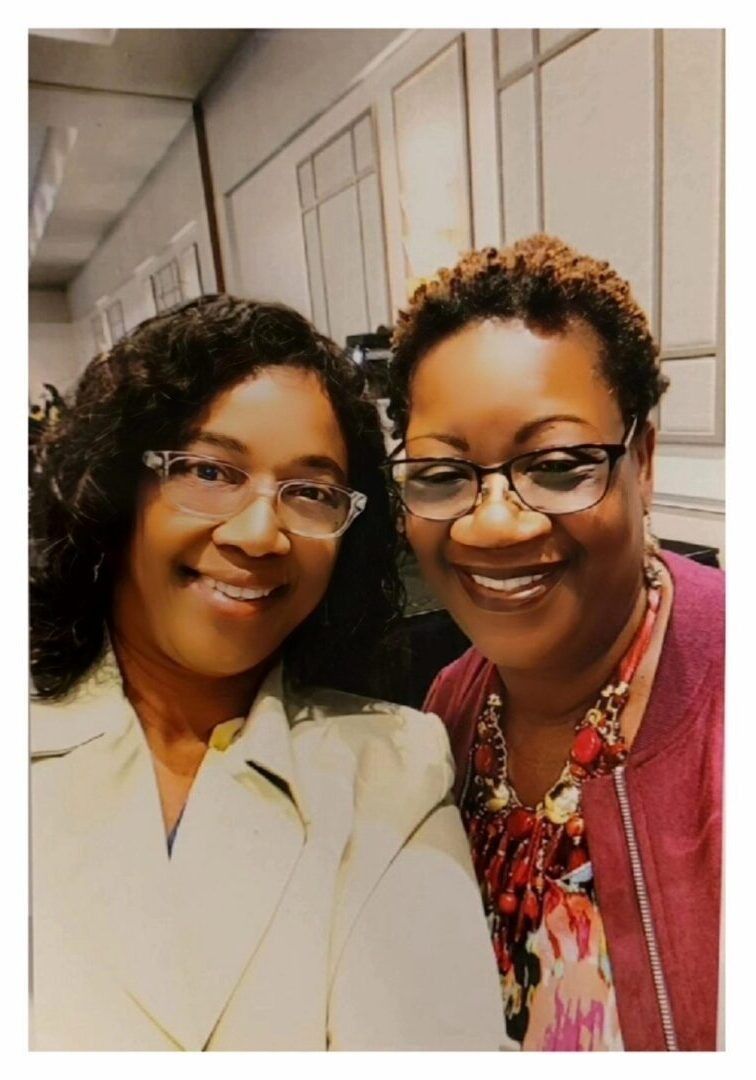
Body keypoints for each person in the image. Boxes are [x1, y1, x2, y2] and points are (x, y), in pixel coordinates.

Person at [29, 295, 506, 1051]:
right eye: (211, 471)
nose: (259, 534)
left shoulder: (391, 764)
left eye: (311, 493)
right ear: (116, 489)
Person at [387, 235, 723, 1051]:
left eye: (561, 463)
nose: (493, 523)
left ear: (641, 461)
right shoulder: (449, 708)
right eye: (441, 473)